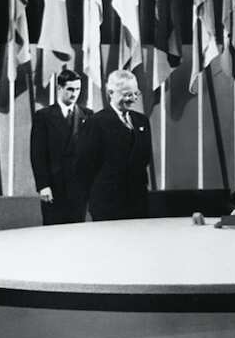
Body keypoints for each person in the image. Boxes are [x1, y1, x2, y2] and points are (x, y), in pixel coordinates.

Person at [76, 69, 153, 221]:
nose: (133, 99)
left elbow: (145, 158)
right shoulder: (96, 122)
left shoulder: (142, 121)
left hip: (138, 201)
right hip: (107, 203)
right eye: (127, 94)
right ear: (111, 92)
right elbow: (84, 165)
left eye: (135, 93)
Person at [29, 69, 92, 225]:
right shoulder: (43, 116)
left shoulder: (88, 115)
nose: (74, 94)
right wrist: (43, 186)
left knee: (77, 234)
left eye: (78, 89)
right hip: (54, 188)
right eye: (70, 89)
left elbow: (92, 154)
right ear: (59, 88)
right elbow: (37, 154)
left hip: (79, 188)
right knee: (53, 235)